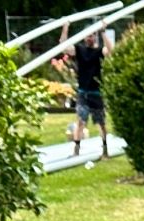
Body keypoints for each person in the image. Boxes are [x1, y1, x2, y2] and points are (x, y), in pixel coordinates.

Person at [54, 26, 112, 158]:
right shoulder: (80, 50)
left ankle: (105, 149)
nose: (89, 38)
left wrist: (103, 32)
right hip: (83, 92)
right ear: (85, 37)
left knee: (101, 123)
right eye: (87, 35)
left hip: (96, 93)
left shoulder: (98, 51)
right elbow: (63, 46)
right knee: (80, 120)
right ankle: (76, 150)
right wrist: (66, 27)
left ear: (95, 37)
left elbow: (110, 50)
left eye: (92, 35)